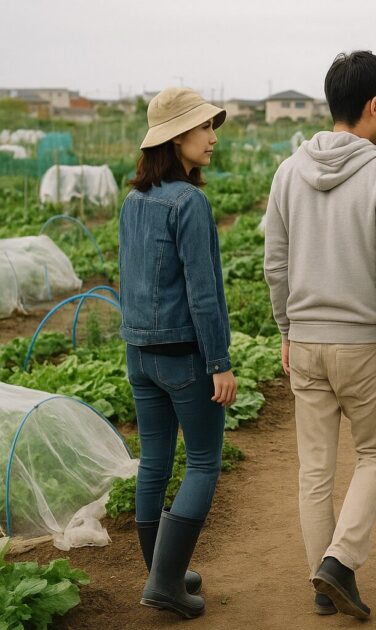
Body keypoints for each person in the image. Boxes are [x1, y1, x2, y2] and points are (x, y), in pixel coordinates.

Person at [264, 50, 376, 621]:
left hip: (304, 341)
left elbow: (274, 265)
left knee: (314, 468)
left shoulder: (287, 171)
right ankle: (339, 562)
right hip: (363, 344)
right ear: (374, 105)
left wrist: (287, 327)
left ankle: (320, 585)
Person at [119, 87, 237, 619]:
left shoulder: (133, 200)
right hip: (186, 356)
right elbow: (204, 292)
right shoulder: (189, 202)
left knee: (156, 462)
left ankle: (160, 573)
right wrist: (220, 362)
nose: (213, 137)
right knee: (205, 463)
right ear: (175, 137)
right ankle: (165, 583)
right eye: (203, 128)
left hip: (140, 353)